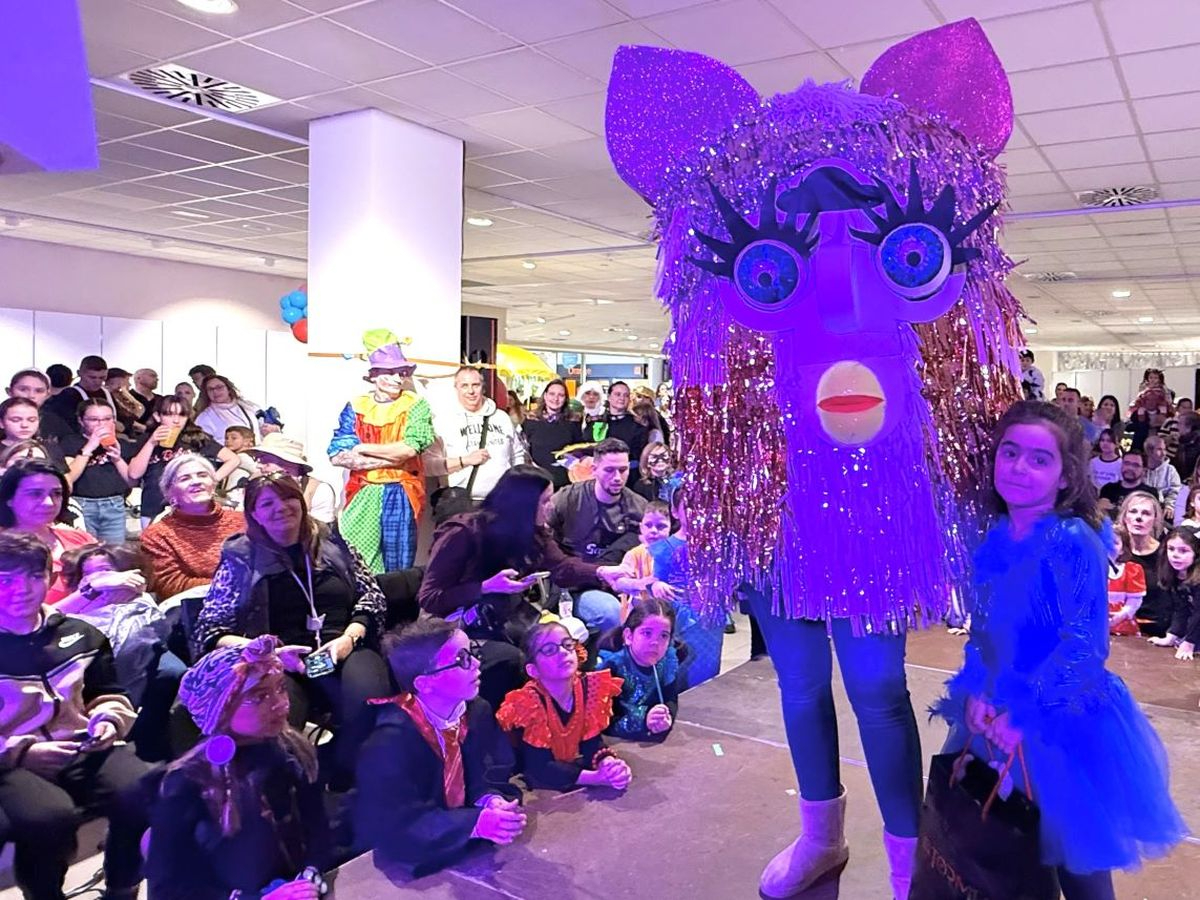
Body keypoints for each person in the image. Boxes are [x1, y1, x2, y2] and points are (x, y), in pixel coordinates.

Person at [935, 401, 1186, 899]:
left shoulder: (1072, 540)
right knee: (982, 839)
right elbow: (983, 631)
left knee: (1077, 857)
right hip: (994, 708)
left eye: (1039, 459)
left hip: (1060, 713)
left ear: (1066, 476)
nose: (1019, 467)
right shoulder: (995, 533)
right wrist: (977, 688)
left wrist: (1024, 714)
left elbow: (1085, 647)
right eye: (1010, 452)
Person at [195, 473, 390, 778]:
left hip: (344, 646)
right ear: (254, 513)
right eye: (267, 503)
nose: (281, 507)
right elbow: (211, 627)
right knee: (278, 724)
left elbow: (372, 595)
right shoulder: (240, 556)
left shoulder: (332, 541)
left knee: (369, 703)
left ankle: (345, 779)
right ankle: (290, 788)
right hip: (278, 659)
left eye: (288, 497)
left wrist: (350, 637)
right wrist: (264, 650)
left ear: (300, 501)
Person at [0, 531, 152, 900]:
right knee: (48, 818)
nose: (22, 589)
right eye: (6, 579)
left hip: (81, 744)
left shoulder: (80, 633)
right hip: (11, 758)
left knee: (144, 789)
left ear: (50, 578)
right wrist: (20, 752)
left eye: (34, 576)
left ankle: (122, 884)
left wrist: (108, 720)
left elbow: (108, 693)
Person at [145, 635, 333, 900]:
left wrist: (311, 871)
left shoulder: (291, 749)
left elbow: (317, 826)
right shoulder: (188, 780)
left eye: (281, 688)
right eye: (259, 697)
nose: (280, 704)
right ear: (219, 709)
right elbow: (168, 887)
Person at [418, 465, 623, 707]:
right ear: (523, 504)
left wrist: (602, 571)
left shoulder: (531, 532)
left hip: (502, 619)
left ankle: (566, 714)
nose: (551, 507)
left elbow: (561, 567)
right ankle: (514, 720)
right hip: (454, 626)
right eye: (545, 501)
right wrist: (485, 587)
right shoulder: (462, 532)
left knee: (572, 641)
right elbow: (430, 598)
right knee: (514, 658)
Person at [355, 618, 525, 875]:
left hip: (467, 845)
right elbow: (398, 823)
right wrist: (472, 824)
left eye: (473, 653)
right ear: (425, 683)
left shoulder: (477, 711)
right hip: (416, 860)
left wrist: (490, 799)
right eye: (462, 659)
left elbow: (488, 771)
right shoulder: (389, 741)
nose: (476, 663)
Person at [329, 337, 434, 573]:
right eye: (390, 372)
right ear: (374, 375)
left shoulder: (415, 404)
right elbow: (337, 454)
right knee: (356, 556)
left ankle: (393, 598)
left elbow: (409, 449)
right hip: (363, 489)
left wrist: (362, 447)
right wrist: (392, 458)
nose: (398, 379)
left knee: (397, 562)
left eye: (402, 373)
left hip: (401, 490)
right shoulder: (357, 406)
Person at [496, 620, 630, 792]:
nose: (562, 652)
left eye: (567, 645)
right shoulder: (529, 703)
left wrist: (608, 764)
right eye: (549, 650)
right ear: (533, 670)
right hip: (536, 786)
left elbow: (591, 742)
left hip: (569, 771)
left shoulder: (589, 688)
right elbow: (540, 767)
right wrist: (595, 778)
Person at [547, 438, 647, 633]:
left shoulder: (638, 507)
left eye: (623, 470)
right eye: (609, 470)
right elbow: (540, 537)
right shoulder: (567, 499)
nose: (617, 477)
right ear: (594, 469)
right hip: (577, 585)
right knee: (612, 613)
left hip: (623, 584)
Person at [139, 455, 246, 599]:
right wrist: (234, 585)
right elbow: (171, 584)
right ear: (170, 491)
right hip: (196, 607)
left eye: (202, 475)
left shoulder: (243, 521)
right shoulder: (157, 535)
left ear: (213, 484)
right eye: (185, 478)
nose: (196, 482)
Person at [128, 394, 240, 526]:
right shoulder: (145, 439)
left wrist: (211, 481)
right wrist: (151, 442)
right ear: (158, 416)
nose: (176, 420)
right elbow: (134, 474)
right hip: (153, 506)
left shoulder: (195, 438)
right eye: (169, 414)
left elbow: (233, 459)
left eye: (182, 415)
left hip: (189, 507)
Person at [0, 457, 101, 603]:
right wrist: (87, 593)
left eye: (57, 493)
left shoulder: (81, 540)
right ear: (9, 499)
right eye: (35, 494)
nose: (49, 503)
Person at [425, 365, 527, 508]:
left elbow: (517, 454)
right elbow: (428, 465)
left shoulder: (501, 418)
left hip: (501, 502)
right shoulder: (443, 421)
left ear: (483, 388)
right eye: (464, 386)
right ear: (456, 388)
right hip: (460, 504)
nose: (471, 391)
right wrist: (465, 460)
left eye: (475, 385)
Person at [596, 598, 680, 741]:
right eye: (647, 633)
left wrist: (665, 718)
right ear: (628, 636)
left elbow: (670, 699)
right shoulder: (610, 667)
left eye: (663, 636)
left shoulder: (667, 663)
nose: (655, 642)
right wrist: (643, 720)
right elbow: (603, 721)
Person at [60, 398, 133, 544]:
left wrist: (117, 459)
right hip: (82, 504)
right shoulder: (70, 442)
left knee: (115, 552)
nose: (101, 424)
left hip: (114, 504)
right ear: (81, 421)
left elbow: (132, 481)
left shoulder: (122, 444)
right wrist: (89, 447)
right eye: (94, 420)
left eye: (107, 419)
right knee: (86, 550)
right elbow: (69, 478)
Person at [250, 433, 337, 524]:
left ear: (288, 464)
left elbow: (322, 530)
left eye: (265, 460)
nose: (258, 465)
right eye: (258, 459)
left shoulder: (318, 490)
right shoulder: (256, 485)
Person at [610, 500, 677, 616]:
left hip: (671, 612)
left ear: (670, 528)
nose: (653, 531)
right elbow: (619, 582)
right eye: (648, 525)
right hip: (640, 613)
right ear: (641, 527)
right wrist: (640, 583)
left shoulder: (676, 554)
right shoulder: (634, 554)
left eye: (661, 526)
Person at [1118, 491, 1171, 637]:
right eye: (1133, 511)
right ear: (1124, 517)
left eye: (1146, 513)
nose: (1138, 518)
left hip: (1159, 633)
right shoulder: (1113, 554)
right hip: (1119, 629)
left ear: (1155, 520)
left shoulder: (1167, 554)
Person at [1147, 527, 1200, 661]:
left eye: (1183, 551)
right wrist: (1172, 635)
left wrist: (1190, 643)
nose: (1175, 555)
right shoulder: (1177, 574)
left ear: (1196, 553)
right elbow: (1181, 609)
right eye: (1171, 549)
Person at [583, 381, 650, 487]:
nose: (622, 398)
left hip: (628, 480)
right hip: (597, 480)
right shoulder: (596, 424)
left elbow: (640, 456)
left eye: (626, 395)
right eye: (618, 394)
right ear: (609, 397)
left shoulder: (638, 426)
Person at [521, 379, 582, 490]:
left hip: (565, 482)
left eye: (561, 395)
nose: (556, 398)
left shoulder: (574, 421)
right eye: (552, 394)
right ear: (545, 396)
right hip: (536, 480)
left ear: (566, 398)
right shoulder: (530, 420)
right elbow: (523, 450)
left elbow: (578, 450)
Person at [44, 355, 119, 436]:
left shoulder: (107, 393)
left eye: (102, 378)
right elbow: (67, 426)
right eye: (92, 377)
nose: (97, 382)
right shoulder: (68, 396)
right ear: (79, 373)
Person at [0, 396, 66, 469]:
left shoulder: (50, 447)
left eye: (32, 420)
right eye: (16, 420)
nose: (24, 425)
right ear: (1, 422)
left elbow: (62, 475)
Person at [7, 368, 71, 442]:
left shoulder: (55, 422)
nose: (31, 395)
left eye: (39, 391)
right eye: (23, 389)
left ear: (48, 395)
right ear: (9, 391)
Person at [194, 374, 263, 443]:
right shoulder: (204, 418)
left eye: (219, 387)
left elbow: (262, 425)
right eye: (210, 389)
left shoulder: (249, 407)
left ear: (228, 389)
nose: (215, 391)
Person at [1107, 527, 1146, 637]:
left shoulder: (1132, 570)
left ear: (1122, 549)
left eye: (1115, 543)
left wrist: (1122, 615)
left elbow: (1134, 600)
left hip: (1123, 624)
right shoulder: (1087, 570)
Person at [1097, 450, 1159, 516]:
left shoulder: (1149, 493)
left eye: (1136, 465)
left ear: (1144, 470)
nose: (1130, 468)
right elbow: (1101, 513)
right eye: (1126, 463)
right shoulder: (1108, 489)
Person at [1142, 434, 1182, 519]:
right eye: (1159, 449)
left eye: (1164, 449)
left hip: (1162, 511)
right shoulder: (1140, 468)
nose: (1164, 453)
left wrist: (1169, 505)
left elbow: (1175, 490)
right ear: (1149, 451)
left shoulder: (1170, 470)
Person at [105, 367, 144, 435]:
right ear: (118, 382)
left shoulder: (122, 399)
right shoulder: (106, 397)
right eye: (127, 381)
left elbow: (138, 411)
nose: (129, 384)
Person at [1173, 411, 1200, 482]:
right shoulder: (1184, 441)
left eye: (1180, 423)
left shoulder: (1196, 444)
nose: (1177, 427)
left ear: (1189, 427)